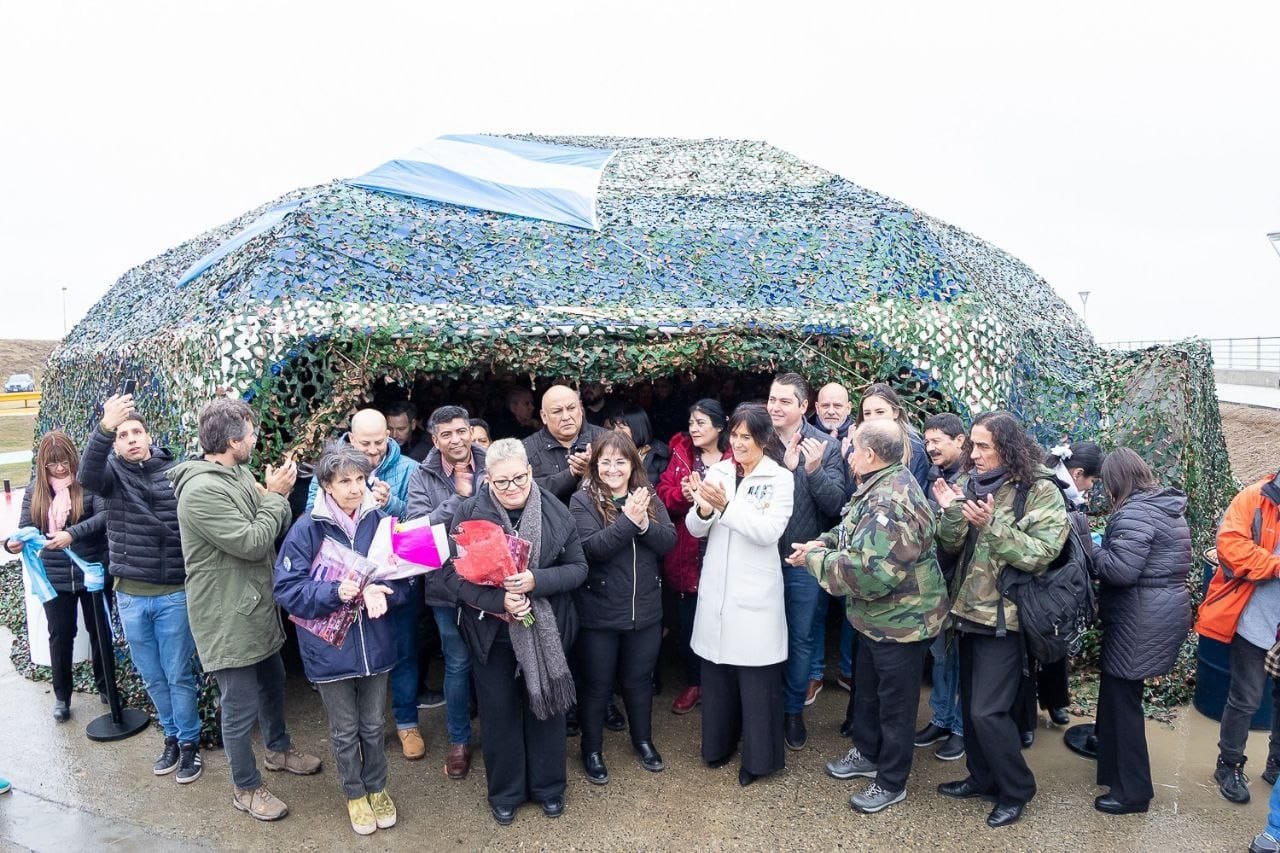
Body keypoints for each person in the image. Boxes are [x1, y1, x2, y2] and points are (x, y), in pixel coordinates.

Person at [169, 399, 322, 822]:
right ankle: (246, 788)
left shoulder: (234, 471)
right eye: (251, 434)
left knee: (273, 680)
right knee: (238, 706)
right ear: (233, 440)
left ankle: (278, 751)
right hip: (225, 614)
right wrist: (276, 497)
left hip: (253, 604)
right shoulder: (201, 491)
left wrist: (268, 498)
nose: (256, 439)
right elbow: (253, 540)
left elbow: (261, 520)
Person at [790, 419, 949, 813]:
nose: (844, 449)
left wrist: (813, 558)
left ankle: (892, 781)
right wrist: (821, 542)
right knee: (869, 695)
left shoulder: (890, 501)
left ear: (869, 454)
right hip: (877, 620)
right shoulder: (880, 482)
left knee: (895, 707)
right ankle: (866, 751)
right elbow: (849, 528)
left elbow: (871, 573)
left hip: (902, 623)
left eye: (851, 444)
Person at [931, 410, 1069, 828]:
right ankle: (982, 777)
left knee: (988, 712)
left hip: (1006, 618)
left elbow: (1040, 554)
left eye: (984, 446)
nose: (974, 454)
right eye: (972, 445)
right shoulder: (971, 483)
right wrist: (953, 510)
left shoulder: (1040, 490)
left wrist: (991, 526)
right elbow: (951, 546)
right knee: (972, 706)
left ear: (1008, 447)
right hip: (967, 613)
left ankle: (1016, 789)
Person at [440, 438, 587, 825]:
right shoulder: (469, 513)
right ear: (487, 479)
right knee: (499, 713)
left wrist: (536, 580)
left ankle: (549, 787)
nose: (512, 488)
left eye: (519, 479)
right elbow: (451, 577)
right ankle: (505, 792)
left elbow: (578, 569)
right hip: (492, 633)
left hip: (545, 628)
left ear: (530, 471)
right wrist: (497, 601)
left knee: (548, 709)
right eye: (501, 482)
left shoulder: (555, 510)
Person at [274, 443, 404, 836]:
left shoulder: (379, 521)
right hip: (329, 649)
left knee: (374, 724)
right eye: (344, 480)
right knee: (345, 729)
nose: (354, 488)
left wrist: (387, 591)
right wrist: (336, 593)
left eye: (360, 479)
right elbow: (287, 589)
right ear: (326, 485)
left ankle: (378, 788)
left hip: (375, 645)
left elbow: (405, 576)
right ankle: (354, 793)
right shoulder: (306, 528)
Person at [78, 393, 202, 782]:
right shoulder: (111, 476)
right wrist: (103, 427)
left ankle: (189, 746)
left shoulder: (177, 473)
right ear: (115, 443)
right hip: (130, 596)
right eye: (122, 434)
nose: (131, 438)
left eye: (137, 431)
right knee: (152, 675)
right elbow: (86, 475)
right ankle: (171, 735)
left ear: (150, 436)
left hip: (173, 595)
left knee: (178, 673)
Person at [687, 404, 795, 787]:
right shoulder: (717, 471)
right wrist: (701, 508)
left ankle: (759, 759)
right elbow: (695, 529)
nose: (737, 443)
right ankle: (717, 747)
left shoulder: (779, 479)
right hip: (717, 584)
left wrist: (726, 506)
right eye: (734, 435)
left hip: (754, 591)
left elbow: (768, 531)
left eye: (746, 437)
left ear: (764, 440)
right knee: (716, 672)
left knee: (755, 678)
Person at [307, 408, 423, 759]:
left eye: (379, 442)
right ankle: (356, 731)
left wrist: (393, 504)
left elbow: (420, 524)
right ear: (350, 438)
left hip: (393, 582)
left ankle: (407, 723)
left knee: (402, 651)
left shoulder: (409, 470)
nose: (373, 451)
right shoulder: (328, 469)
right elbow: (314, 523)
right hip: (345, 585)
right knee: (348, 654)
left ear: (389, 433)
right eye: (365, 444)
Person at [570, 432, 677, 784]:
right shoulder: (582, 500)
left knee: (638, 681)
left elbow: (668, 541)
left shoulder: (647, 496)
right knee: (598, 684)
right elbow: (592, 549)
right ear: (595, 466)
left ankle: (643, 740)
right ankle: (593, 748)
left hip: (645, 609)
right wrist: (628, 522)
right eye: (606, 462)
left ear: (633, 464)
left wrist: (643, 522)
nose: (613, 469)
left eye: (621, 461)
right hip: (599, 612)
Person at [1089, 448, 1191, 814]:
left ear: (1116, 480)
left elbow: (1119, 571)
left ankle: (1133, 793)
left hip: (1141, 619)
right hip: (1159, 611)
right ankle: (1113, 770)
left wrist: (1089, 543)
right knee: (1120, 695)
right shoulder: (1163, 506)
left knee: (1124, 703)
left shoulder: (1135, 511)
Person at [405, 405, 487, 780]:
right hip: (446, 585)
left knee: (498, 661)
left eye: (461, 431)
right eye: (447, 434)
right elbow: (417, 529)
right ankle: (459, 740)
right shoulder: (422, 476)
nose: (456, 439)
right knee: (457, 663)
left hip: (493, 580)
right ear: (435, 439)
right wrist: (459, 497)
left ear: (470, 431)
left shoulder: (493, 462)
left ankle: (503, 733)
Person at [5, 430, 109, 723]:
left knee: (99, 632)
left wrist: (71, 534)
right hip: (54, 577)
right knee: (60, 636)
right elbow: (26, 526)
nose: (60, 468)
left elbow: (103, 518)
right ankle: (62, 697)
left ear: (73, 457)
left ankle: (107, 687)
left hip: (92, 571)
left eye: (64, 460)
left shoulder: (88, 483)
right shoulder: (36, 490)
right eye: (53, 464)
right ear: (43, 465)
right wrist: (13, 544)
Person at [766, 373, 846, 750]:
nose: (775, 407)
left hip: (802, 562)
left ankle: (793, 711)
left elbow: (835, 507)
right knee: (762, 637)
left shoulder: (825, 448)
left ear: (802, 407)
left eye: (784, 401)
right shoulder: (757, 441)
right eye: (772, 399)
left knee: (800, 639)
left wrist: (811, 471)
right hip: (761, 559)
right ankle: (762, 708)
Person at [1196, 465, 1280, 804]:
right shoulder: (1253, 499)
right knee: (1246, 698)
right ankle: (1228, 764)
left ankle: (1276, 766)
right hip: (1256, 620)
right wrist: (1276, 564)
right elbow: (1230, 548)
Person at [1013, 440, 1106, 738]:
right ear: (1078, 473)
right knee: (1029, 650)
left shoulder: (1070, 491)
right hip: (1036, 578)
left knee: (1056, 643)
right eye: (1092, 480)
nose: (1091, 487)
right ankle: (1025, 719)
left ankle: (1054, 701)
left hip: (1060, 580)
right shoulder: (1047, 487)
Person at [656, 399, 733, 714]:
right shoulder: (681, 454)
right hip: (688, 550)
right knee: (688, 623)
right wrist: (681, 495)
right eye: (691, 422)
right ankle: (695, 682)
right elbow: (661, 494)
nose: (694, 428)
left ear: (719, 426)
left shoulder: (735, 457)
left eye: (701, 422)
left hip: (724, 548)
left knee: (724, 621)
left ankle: (722, 684)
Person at [914, 412, 969, 762]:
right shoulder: (937, 475)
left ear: (959, 441)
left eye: (938, 441)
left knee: (962, 659)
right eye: (928, 441)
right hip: (936, 581)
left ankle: (961, 728)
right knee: (940, 654)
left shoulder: (971, 480)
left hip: (963, 582)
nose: (931, 447)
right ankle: (941, 717)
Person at [523, 385, 608, 503]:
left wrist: (594, 468)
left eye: (571, 408)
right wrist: (571, 473)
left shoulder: (606, 439)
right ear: (544, 416)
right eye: (557, 411)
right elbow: (525, 491)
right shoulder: (526, 449)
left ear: (581, 408)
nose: (566, 417)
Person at [856, 383, 929, 489]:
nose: (873, 419)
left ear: (895, 412)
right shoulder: (857, 445)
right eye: (867, 413)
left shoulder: (914, 449)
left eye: (880, 412)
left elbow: (919, 497)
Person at [606, 404, 670, 486]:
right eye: (614, 427)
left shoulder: (659, 456)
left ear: (636, 430)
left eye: (621, 428)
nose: (615, 432)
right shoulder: (610, 451)